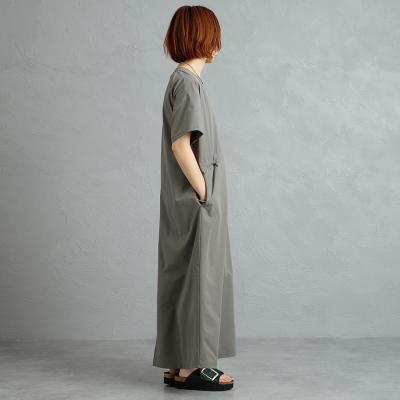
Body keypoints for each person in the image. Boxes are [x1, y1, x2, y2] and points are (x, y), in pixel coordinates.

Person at [152, 5, 236, 391]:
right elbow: (181, 144)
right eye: (214, 36)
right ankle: (195, 367)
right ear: (205, 40)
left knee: (184, 279)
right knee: (200, 280)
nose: (219, 44)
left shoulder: (182, 80)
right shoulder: (187, 83)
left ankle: (177, 363)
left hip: (185, 202)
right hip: (196, 203)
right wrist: (205, 192)